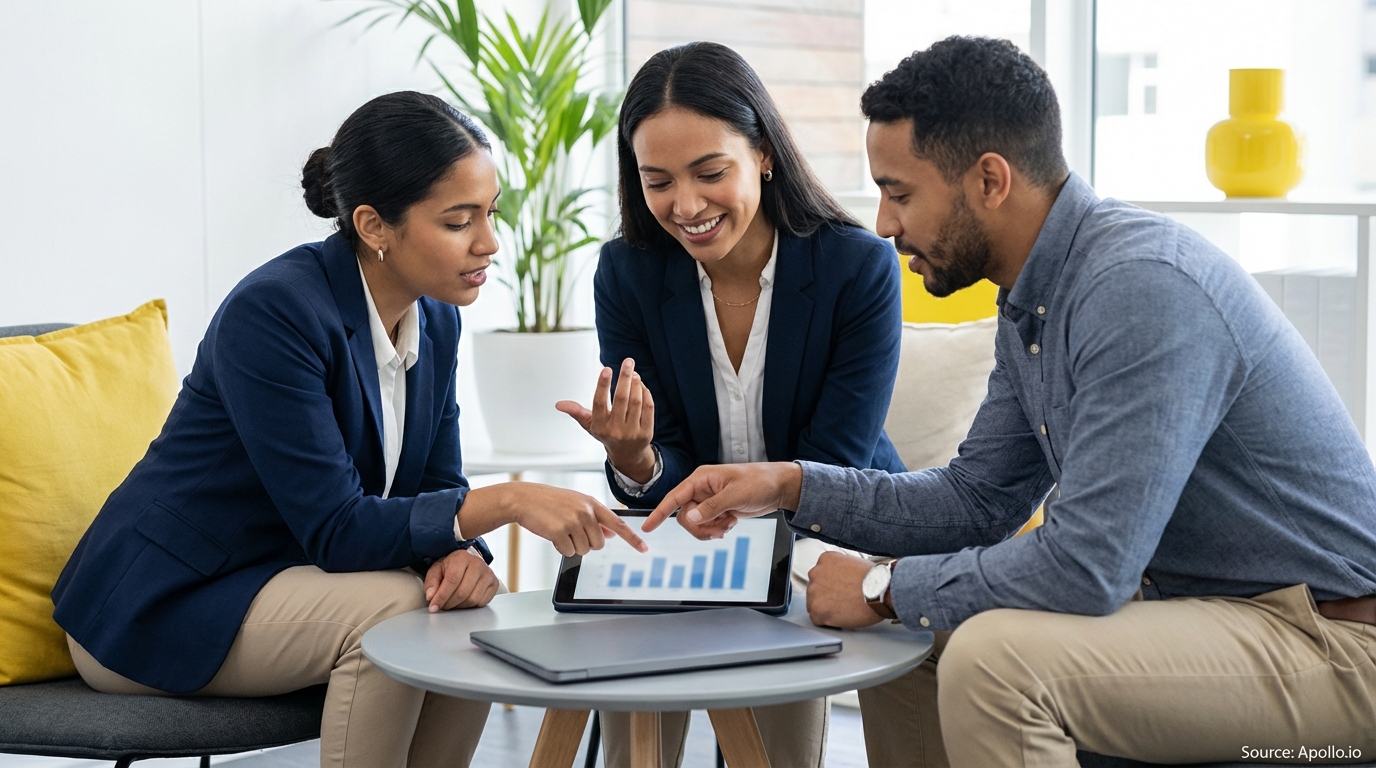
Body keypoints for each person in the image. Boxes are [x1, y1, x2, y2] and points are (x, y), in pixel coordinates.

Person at [644, 37, 1376, 768]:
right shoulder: (1034, 304)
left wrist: (882, 584)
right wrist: (791, 485)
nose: (884, 225)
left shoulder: (1138, 288)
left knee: (992, 657)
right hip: (1200, 618)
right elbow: (976, 500)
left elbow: (1089, 566)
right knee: (919, 633)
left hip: (1328, 641)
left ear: (989, 180)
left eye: (899, 193)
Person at [52, 91, 645, 768]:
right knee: (394, 610)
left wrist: (458, 558)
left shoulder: (437, 317)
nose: (490, 242)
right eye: (459, 221)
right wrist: (509, 503)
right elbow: (336, 528)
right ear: (373, 225)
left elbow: (438, 484)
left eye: (490, 213)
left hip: (288, 584)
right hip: (162, 607)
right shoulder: (275, 313)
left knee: (473, 608)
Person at [552, 41, 906, 768]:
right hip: (691, 532)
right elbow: (663, 454)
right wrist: (637, 458)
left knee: (791, 621)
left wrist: (724, 516)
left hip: (825, 518)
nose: (685, 206)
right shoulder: (627, 271)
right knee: (627, 637)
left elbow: (835, 460)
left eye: (710, 173)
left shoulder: (856, 266)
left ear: (765, 154)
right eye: (657, 182)